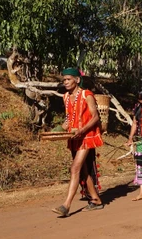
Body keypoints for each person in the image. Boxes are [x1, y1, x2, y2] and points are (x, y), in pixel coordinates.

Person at [52, 68, 104, 217]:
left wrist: (82, 130)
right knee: (83, 170)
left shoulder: (87, 95)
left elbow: (95, 118)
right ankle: (96, 200)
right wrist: (57, 130)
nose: (66, 82)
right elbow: (69, 119)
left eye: (68, 79)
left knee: (75, 168)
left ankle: (66, 205)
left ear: (77, 80)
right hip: (74, 137)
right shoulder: (66, 97)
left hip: (87, 136)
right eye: (64, 80)